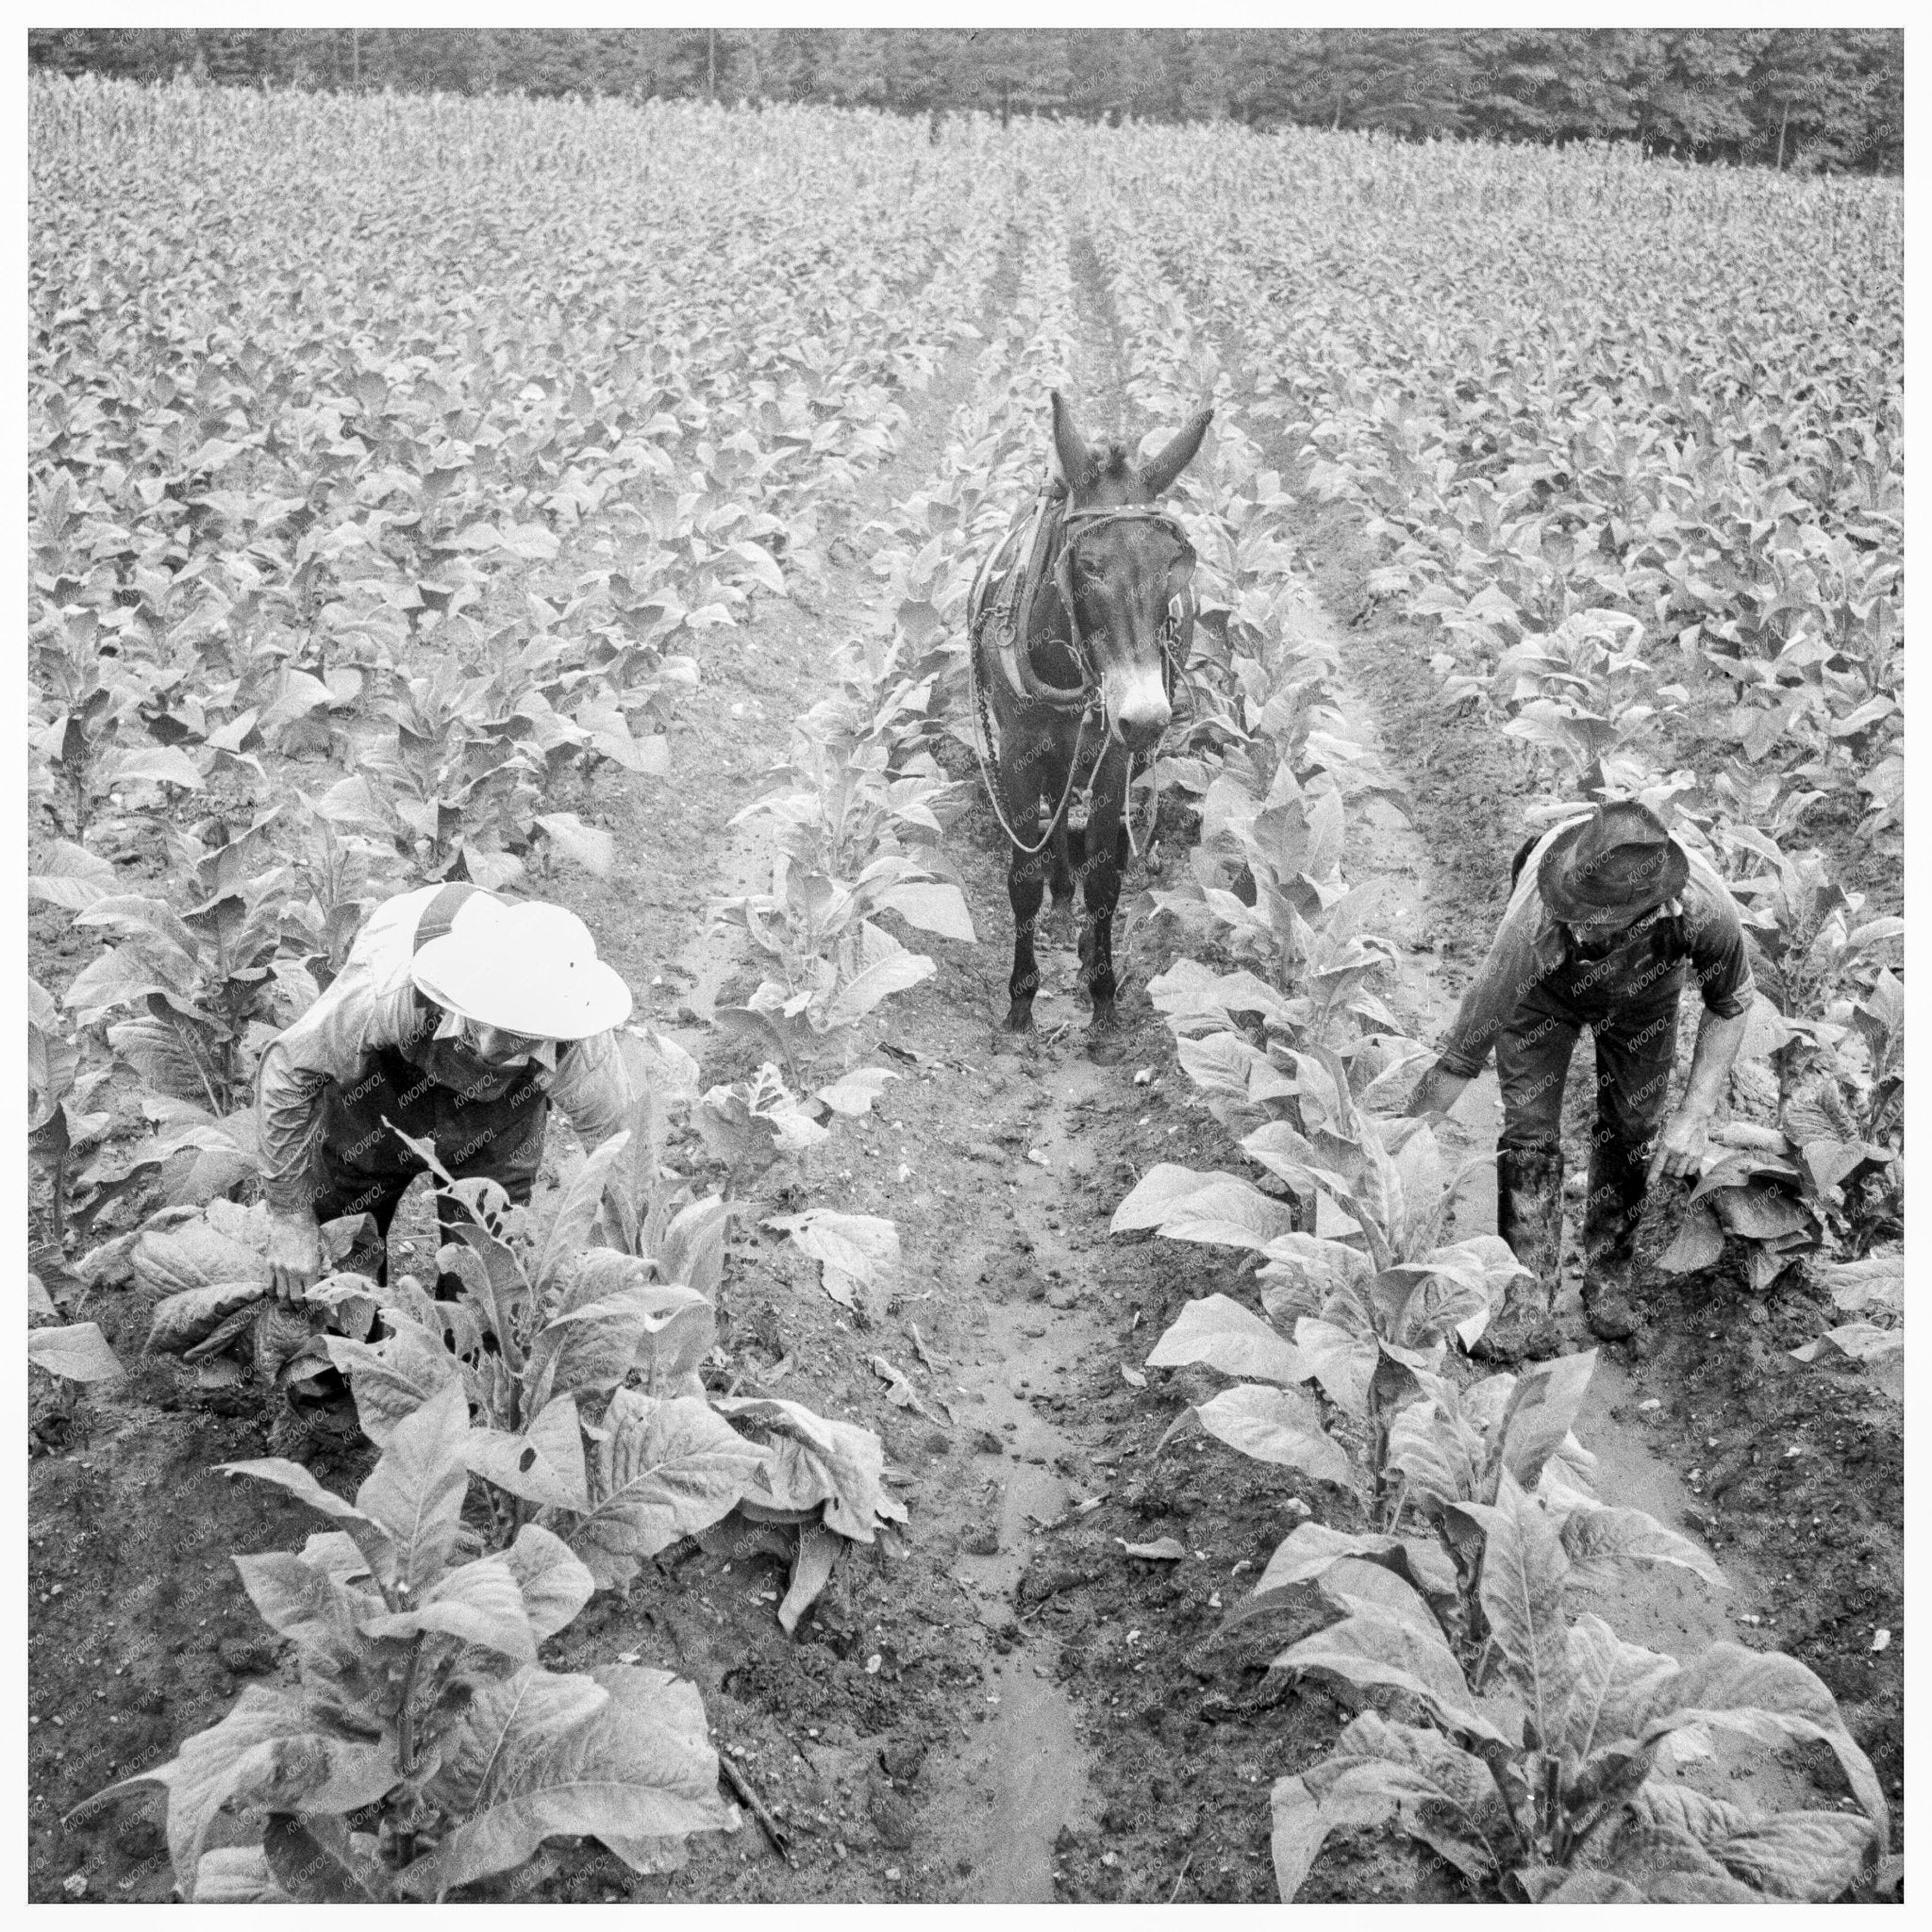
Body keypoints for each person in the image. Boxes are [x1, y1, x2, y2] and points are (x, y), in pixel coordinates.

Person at [1406, 799, 1754, 1358]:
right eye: (1574, 911)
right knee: (1528, 1131)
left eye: (1598, 921)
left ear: (1653, 907)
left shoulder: (1704, 910)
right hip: (1541, 998)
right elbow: (1458, 1059)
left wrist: (1695, 1114)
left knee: (1634, 1123)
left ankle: (1608, 1279)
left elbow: (1732, 1003)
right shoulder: (1535, 925)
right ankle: (1526, 1301)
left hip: (1645, 993)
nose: (1578, 927)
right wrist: (1391, 1152)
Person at [257, 880, 635, 1302]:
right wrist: (289, 1216)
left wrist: (631, 1278)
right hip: (381, 1093)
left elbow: (621, 1158)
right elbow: (289, 1068)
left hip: (500, 1126)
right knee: (339, 1255)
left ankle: (461, 1358)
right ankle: (344, 1353)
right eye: (480, 1021)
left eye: (519, 1036)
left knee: (485, 1282)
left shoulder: (579, 1039)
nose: (490, 1047)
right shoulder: (395, 989)